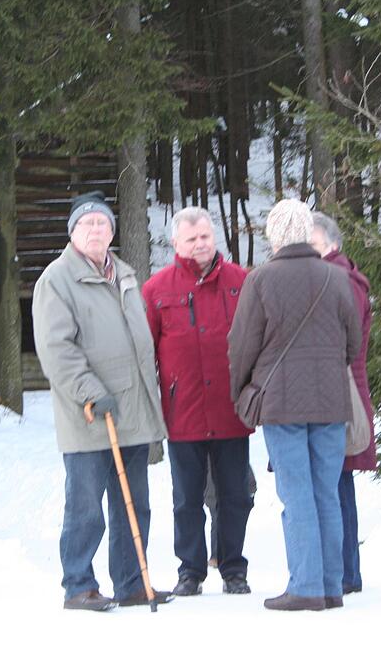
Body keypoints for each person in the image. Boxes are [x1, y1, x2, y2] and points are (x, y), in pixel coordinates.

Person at [32, 191, 171, 612]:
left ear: (112, 231)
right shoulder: (57, 280)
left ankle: (131, 583)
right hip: (90, 414)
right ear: (72, 232)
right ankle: (79, 585)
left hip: (132, 410)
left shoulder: (124, 275)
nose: (95, 230)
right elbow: (57, 349)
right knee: (86, 507)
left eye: (102, 223)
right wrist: (91, 392)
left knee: (134, 504)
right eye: (86, 223)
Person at [228, 199, 362, 611]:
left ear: (273, 236)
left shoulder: (260, 280)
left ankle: (305, 586)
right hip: (330, 402)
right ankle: (330, 585)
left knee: (297, 494)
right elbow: (353, 343)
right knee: (326, 493)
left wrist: (241, 390)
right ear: (306, 232)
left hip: (282, 404)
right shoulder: (336, 277)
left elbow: (242, 345)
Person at [142, 207, 255, 596]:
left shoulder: (242, 282)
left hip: (231, 409)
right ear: (176, 243)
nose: (200, 244)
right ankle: (190, 570)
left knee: (235, 495)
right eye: (191, 239)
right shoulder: (156, 290)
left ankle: (233, 568)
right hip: (183, 412)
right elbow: (145, 353)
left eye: (205, 236)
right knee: (187, 499)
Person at [310, 212, 377, 596]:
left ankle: (346, 572)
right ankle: (343, 570)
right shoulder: (335, 276)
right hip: (335, 392)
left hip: (341, 393)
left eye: (313, 245)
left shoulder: (342, 281)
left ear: (333, 246)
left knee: (336, 484)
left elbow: (341, 340)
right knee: (336, 482)